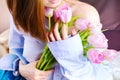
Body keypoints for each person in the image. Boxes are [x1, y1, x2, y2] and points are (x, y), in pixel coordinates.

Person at [0, 0, 114, 80]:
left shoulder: (85, 14)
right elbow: (16, 51)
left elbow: (100, 75)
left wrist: (68, 52)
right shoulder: (21, 13)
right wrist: (22, 69)